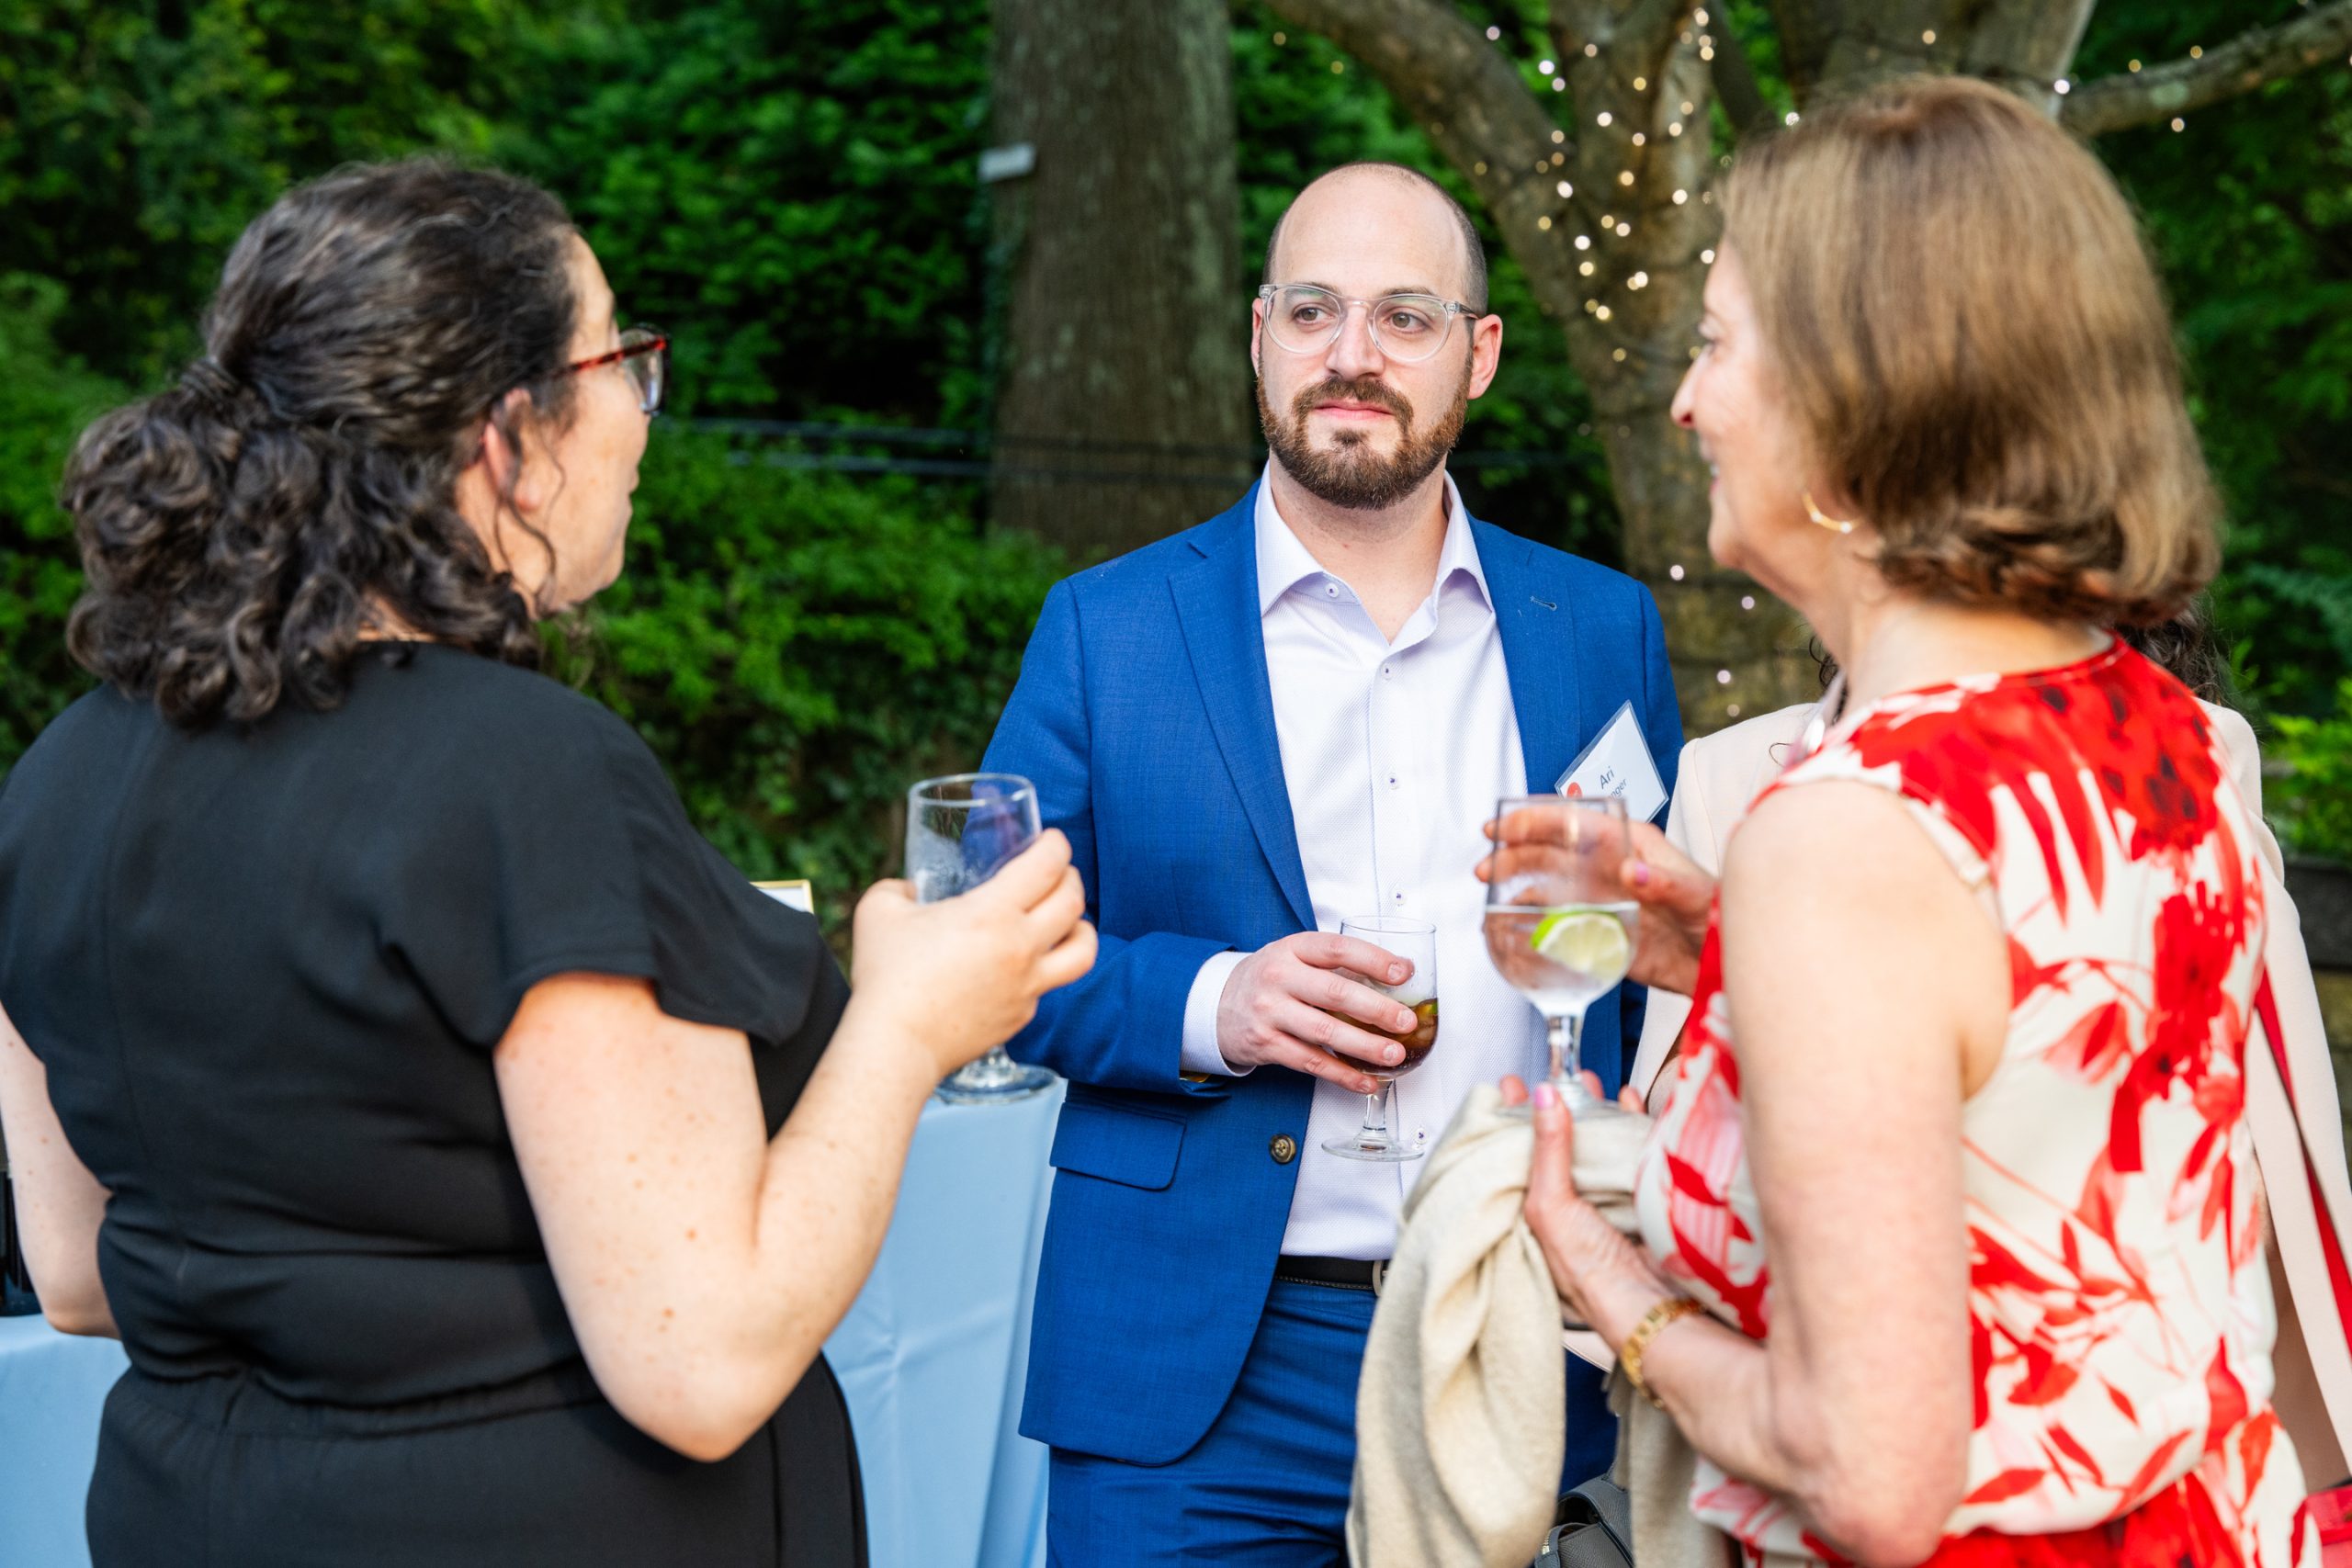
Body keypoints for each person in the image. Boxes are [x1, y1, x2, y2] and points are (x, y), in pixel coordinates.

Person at [0, 160, 1094, 1568]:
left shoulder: (59, 777)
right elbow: (700, 1359)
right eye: (617, 357)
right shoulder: (526, 774)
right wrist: (910, 1020)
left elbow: (80, 1267)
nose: (641, 410)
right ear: (508, 435)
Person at [1505, 78, 2319, 1565]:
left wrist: (1607, 1279)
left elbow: (1871, 1474)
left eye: (1716, 345)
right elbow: (2032, 1070)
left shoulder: (1847, 838)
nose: (1685, 402)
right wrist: (1732, 943)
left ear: (1848, 407)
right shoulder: (2164, 733)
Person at [979, 161, 1681, 1562]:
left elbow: (1647, 973)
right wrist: (1216, 1003)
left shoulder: (1602, 629)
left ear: (1480, 353)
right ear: (1259, 337)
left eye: (1404, 317)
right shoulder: (1109, 628)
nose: (1351, 354)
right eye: (1313, 311)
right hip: (1195, 1379)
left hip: (1523, 1330)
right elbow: (992, 956)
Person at [1628, 614, 2352, 1495]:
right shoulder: (1732, 773)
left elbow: (2221, 1159)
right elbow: (1671, 1111)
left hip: (2107, 1419)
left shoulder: (2177, 753)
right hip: (1803, 1396)